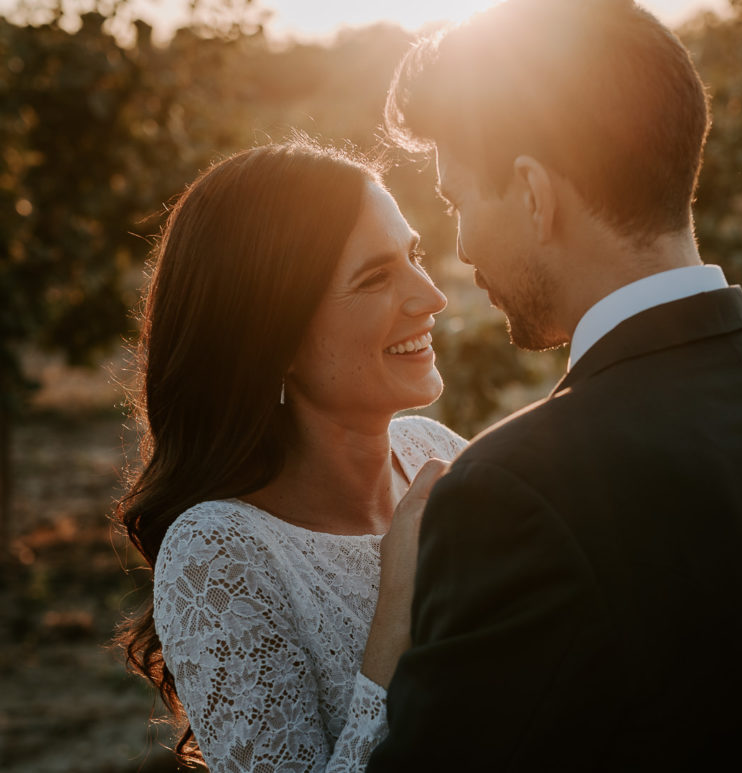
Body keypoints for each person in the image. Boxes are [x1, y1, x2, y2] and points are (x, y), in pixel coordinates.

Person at [369, 1, 742, 770]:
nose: (458, 247)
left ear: (533, 192)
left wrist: (392, 630)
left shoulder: (512, 491)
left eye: (458, 201)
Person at [114, 141, 464, 772]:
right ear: (274, 337)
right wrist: (397, 613)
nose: (431, 296)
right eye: (376, 277)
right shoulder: (219, 555)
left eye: (413, 257)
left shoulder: (436, 451)